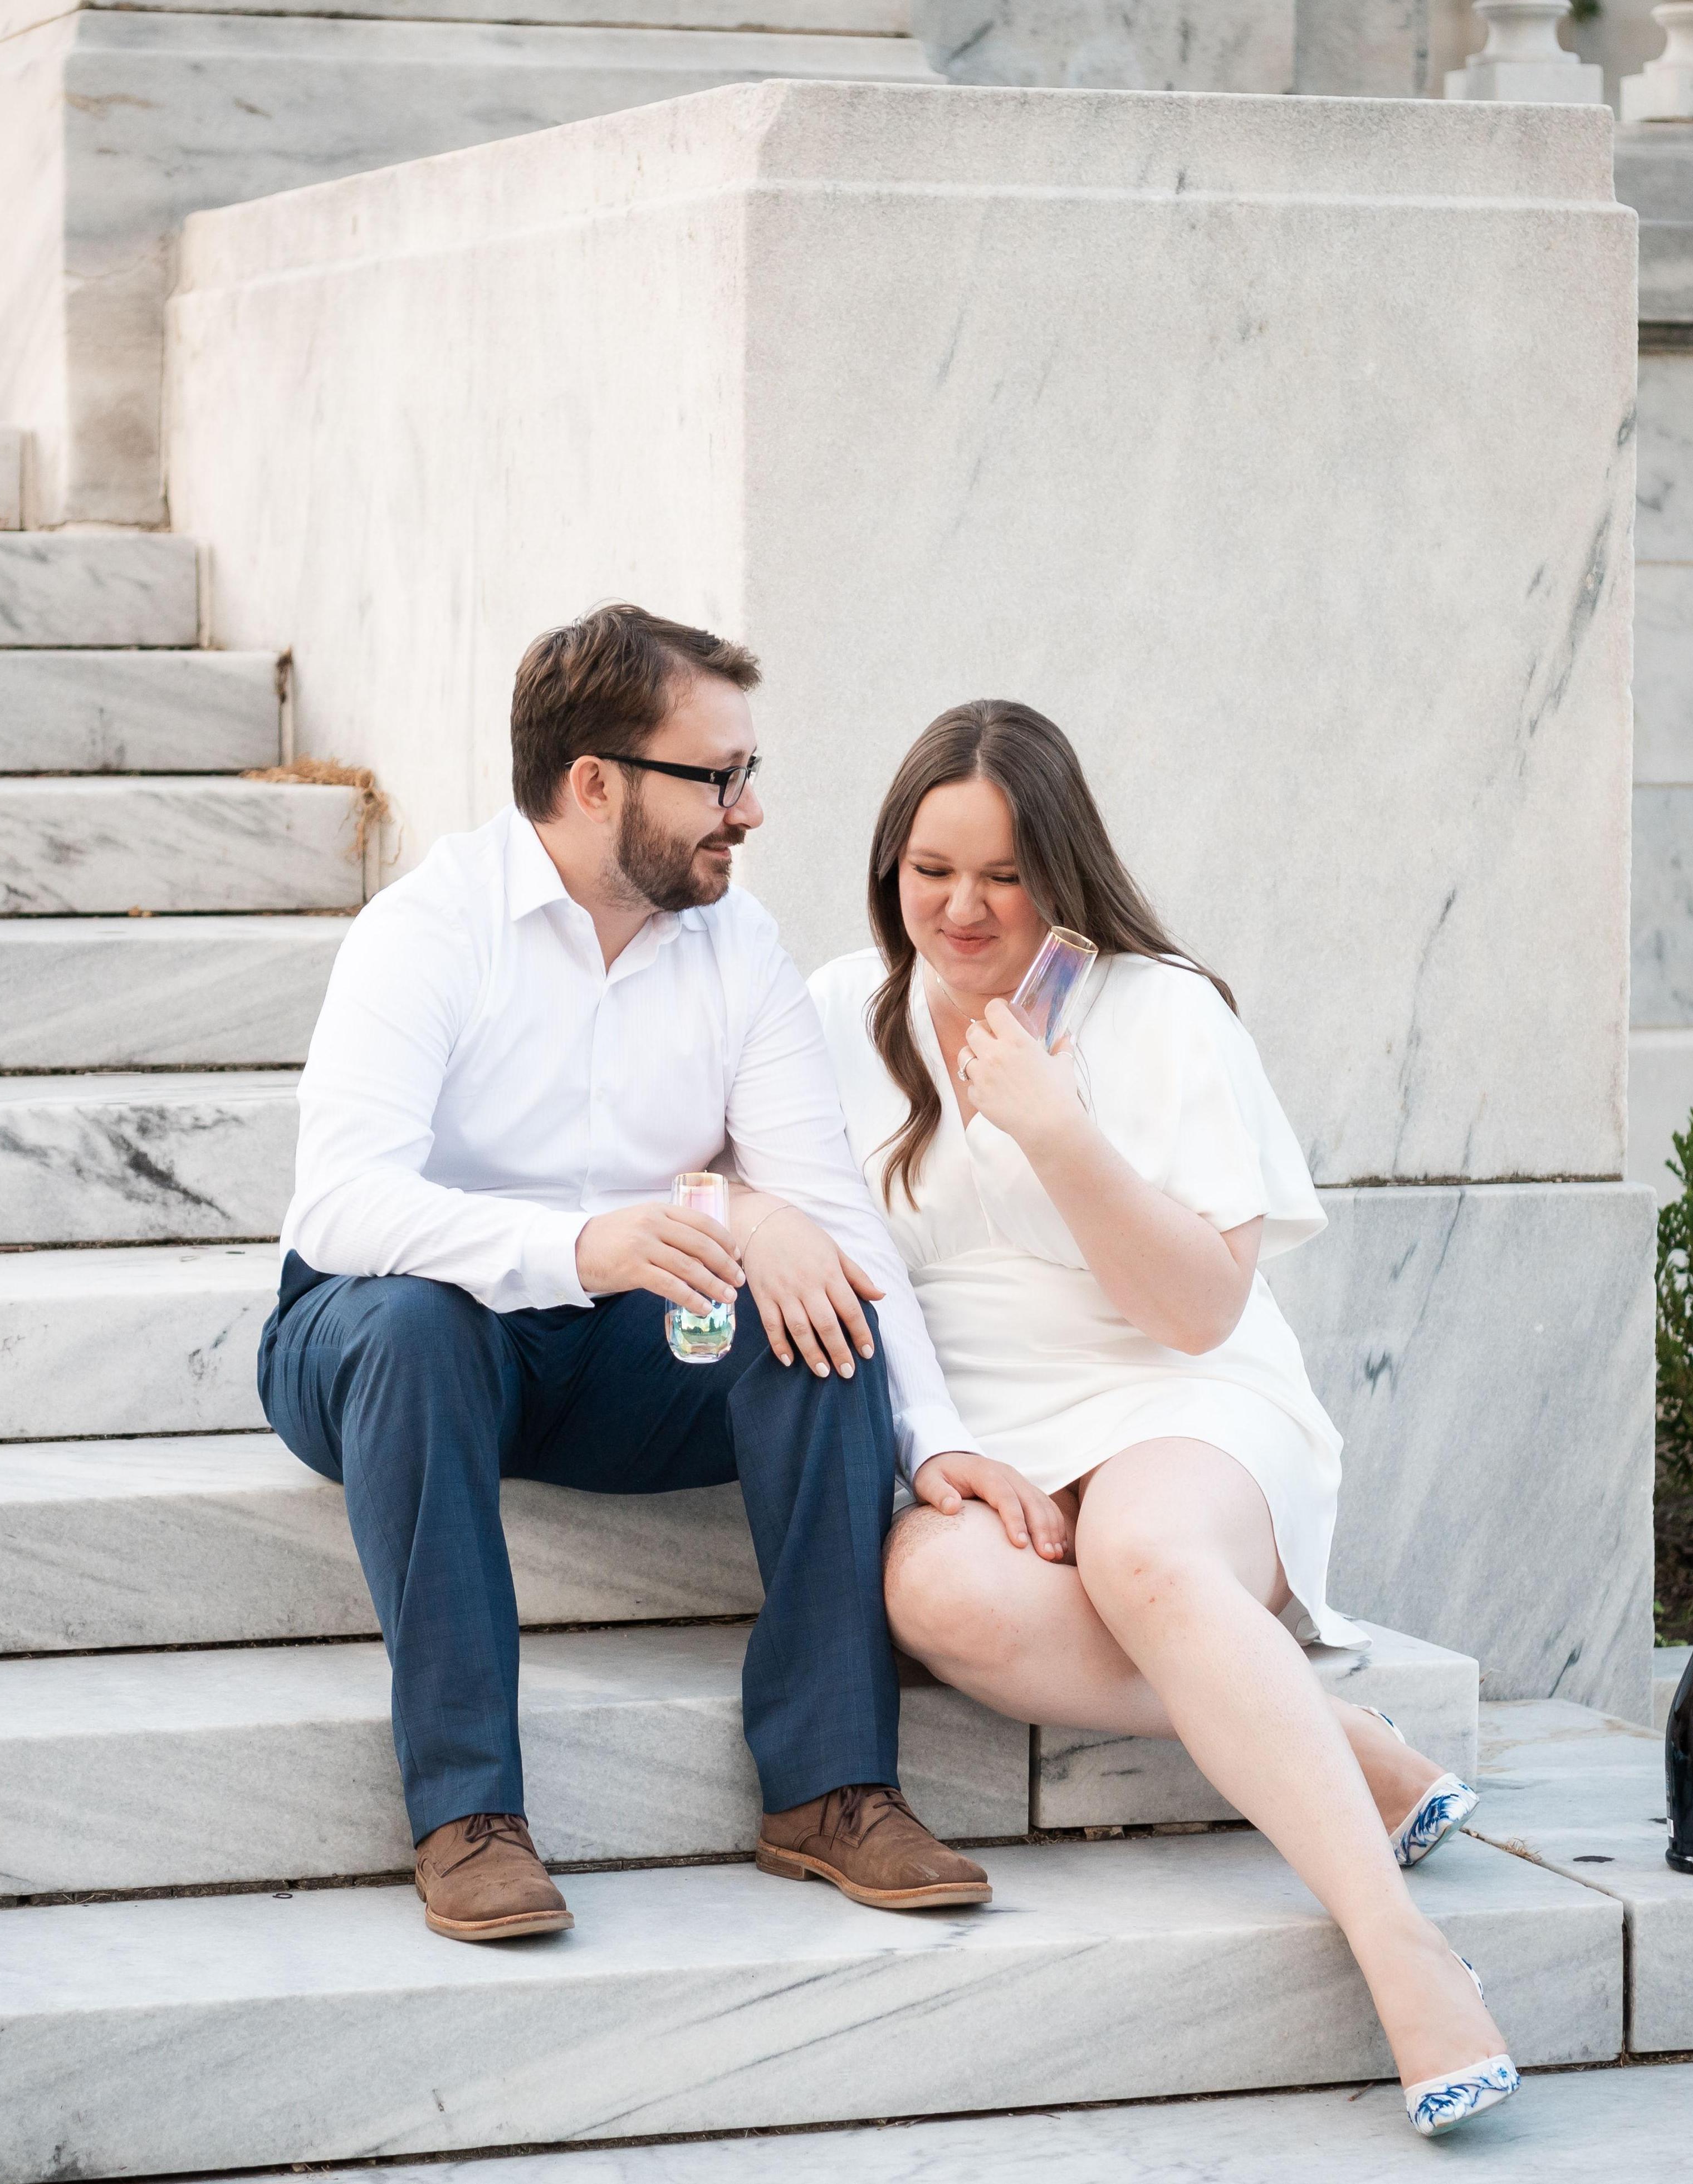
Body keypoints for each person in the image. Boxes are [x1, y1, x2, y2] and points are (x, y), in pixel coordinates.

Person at [805, 700, 1518, 2139]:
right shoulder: (837, 1013)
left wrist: (1055, 1127)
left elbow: (1195, 1309)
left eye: (1002, 875)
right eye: (929, 870)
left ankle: (1399, 1946)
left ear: (1061, 871)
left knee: (1142, 1556)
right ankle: (1322, 1730)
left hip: (1181, 1398)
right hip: (986, 1435)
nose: (961, 908)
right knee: (931, 1592)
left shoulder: (1159, 1009)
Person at [258, 604, 992, 1946]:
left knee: (812, 1304)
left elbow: (832, 1212)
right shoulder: (429, 927)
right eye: (716, 776)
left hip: (614, 1350)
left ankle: (830, 1786)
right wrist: (575, 1246)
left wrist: (930, 1435)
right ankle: (467, 1813)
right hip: (389, 1343)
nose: (749, 809)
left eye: (747, 771)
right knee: (421, 1325)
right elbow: (342, 1203)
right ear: (594, 781)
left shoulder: (738, 946)